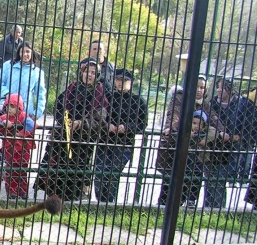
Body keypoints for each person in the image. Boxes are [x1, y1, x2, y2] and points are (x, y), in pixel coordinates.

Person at [34, 58, 111, 201]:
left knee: (75, 173)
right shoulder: (72, 88)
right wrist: (65, 121)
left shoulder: (100, 93)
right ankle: (54, 199)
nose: (89, 75)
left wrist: (81, 123)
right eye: (87, 71)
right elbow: (59, 106)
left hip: (82, 141)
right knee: (55, 169)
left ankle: (71, 200)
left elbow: (99, 118)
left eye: (93, 73)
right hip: (63, 136)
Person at [156, 76, 217, 206]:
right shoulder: (179, 98)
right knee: (172, 177)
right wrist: (170, 127)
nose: (199, 90)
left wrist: (222, 132)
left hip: (195, 150)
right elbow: (173, 115)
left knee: (193, 176)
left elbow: (214, 120)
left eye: (202, 87)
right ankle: (164, 206)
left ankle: (188, 203)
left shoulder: (205, 104)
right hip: (176, 146)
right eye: (197, 86)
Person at [93, 69, 148, 203]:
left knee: (113, 174)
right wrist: (107, 125)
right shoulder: (108, 97)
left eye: (124, 80)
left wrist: (127, 127)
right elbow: (98, 114)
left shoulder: (138, 101)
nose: (120, 83)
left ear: (131, 82)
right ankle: (101, 202)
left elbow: (143, 123)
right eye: (118, 80)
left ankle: (109, 203)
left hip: (125, 143)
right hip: (105, 140)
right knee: (99, 172)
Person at [204, 78, 257, 208]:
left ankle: (216, 208)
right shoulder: (214, 103)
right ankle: (212, 208)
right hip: (216, 142)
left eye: (222, 87)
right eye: (218, 87)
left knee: (219, 178)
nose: (219, 89)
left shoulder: (240, 102)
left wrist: (237, 136)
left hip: (232, 144)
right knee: (212, 178)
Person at [0, 41, 47, 121]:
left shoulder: (37, 72)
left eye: (28, 51)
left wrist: (37, 113)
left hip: (26, 111)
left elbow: (41, 94)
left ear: (32, 53)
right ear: (19, 53)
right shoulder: (8, 65)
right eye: (22, 52)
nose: (25, 54)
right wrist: (7, 94)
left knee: (22, 133)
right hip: (7, 108)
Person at [0, 94, 36, 197]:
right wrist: (5, 123)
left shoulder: (23, 116)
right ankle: (11, 191)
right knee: (11, 169)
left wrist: (20, 133)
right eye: (8, 106)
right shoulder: (4, 117)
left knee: (23, 170)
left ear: (19, 108)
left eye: (13, 106)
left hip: (23, 148)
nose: (9, 108)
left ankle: (23, 191)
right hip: (10, 148)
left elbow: (31, 125)